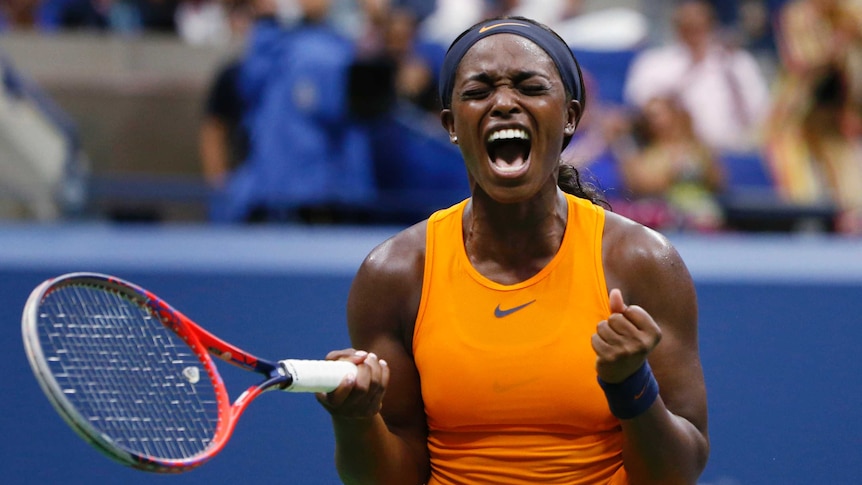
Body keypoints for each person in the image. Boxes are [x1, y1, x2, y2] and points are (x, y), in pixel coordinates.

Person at [316, 16, 710, 484]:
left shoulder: (643, 262)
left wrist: (631, 384)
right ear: (451, 125)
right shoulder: (395, 274)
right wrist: (355, 418)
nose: (504, 102)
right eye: (479, 91)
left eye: (530, 86)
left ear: (569, 116)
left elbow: (678, 474)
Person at [763, 0, 862, 233]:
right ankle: (804, 219)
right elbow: (802, 61)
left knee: (850, 184)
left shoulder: (851, 10)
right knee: (798, 180)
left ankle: (852, 219)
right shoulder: (797, 15)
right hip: (796, 114)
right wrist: (836, 43)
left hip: (837, 111)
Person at [623, 0, 771, 155]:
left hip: (736, 152)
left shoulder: (738, 62)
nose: (695, 31)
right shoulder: (653, 63)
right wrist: (692, 70)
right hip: (677, 156)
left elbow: (761, 112)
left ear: (712, 25)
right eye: (688, 26)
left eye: (700, 25)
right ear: (676, 26)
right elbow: (641, 111)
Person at [619, 94, 726, 233]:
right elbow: (639, 186)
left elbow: (717, 182)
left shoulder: (698, 148)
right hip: (663, 218)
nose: (654, 121)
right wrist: (672, 169)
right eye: (649, 116)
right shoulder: (646, 154)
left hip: (702, 214)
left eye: (658, 114)